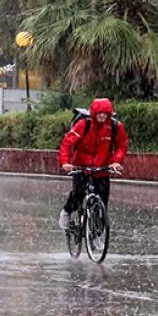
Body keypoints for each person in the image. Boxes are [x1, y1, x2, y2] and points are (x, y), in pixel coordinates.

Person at [58, 98, 129, 229]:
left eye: (105, 113)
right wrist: (66, 163)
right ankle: (67, 212)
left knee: (102, 203)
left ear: (109, 114)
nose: (102, 116)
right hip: (81, 167)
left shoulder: (115, 127)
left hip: (102, 169)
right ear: (94, 113)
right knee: (78, 194)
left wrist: (116, 162)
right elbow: (67, 144)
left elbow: (121, 145)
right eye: (99, 113)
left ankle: (98, 235)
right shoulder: (84, 125)